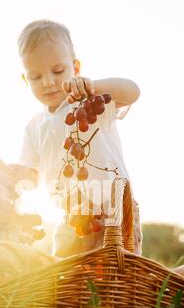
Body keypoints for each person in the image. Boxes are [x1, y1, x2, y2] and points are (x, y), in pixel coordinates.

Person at [16, 19, 142, 258]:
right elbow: (28, 175)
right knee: (65, 276)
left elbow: (133, 91)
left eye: (58, 71)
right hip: (71, 217)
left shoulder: (91, 102)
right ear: (25, 80)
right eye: (35, 76)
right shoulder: (33, 127)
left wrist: (94, 86)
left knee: (119, 274)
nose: (48, 82)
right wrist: (11, 176)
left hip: (114, 210)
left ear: (75, 67)